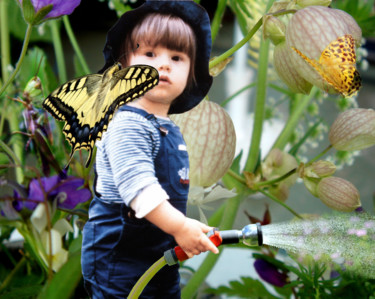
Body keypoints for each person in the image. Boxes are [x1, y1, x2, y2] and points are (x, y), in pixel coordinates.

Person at [81, 1, 217, 298]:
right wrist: (180, 226)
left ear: (192, 72)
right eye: (150, 54)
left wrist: (184, 229)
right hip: (118, 265)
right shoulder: (128, 124)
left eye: (177, 57)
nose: (163, 64)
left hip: (158, 260)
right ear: (125, 66)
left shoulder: (167, 126)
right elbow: (138, 188)